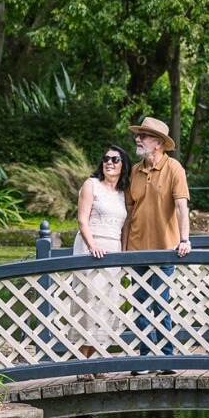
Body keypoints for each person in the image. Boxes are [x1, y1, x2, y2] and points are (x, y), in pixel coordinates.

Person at [123, 116, 191, 376]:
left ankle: (166, 358)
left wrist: (184, 239)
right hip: (137, 248)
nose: (138, 139)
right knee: (140, 304)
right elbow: (129, 211)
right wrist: (123, 246)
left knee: (161, 303)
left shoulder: (175, 169)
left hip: (165, 249)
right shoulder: (135, 171)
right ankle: (144, 359)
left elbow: (182, 208)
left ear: (159, 142)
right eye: (138, 135)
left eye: (144, 136)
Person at [71, 145, 131, 381]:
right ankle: (82, 364)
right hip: (91, 250)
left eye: (115, 159)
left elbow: (125, 226)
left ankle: (96, 360)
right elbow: (82, 220)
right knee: (88, 303)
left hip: (113, 252)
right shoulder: (91, 185)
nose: (109, 162)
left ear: (123, 165)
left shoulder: (122, 193)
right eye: (106, 158)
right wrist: (92, 245)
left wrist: (124, 252)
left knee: (107, 307)